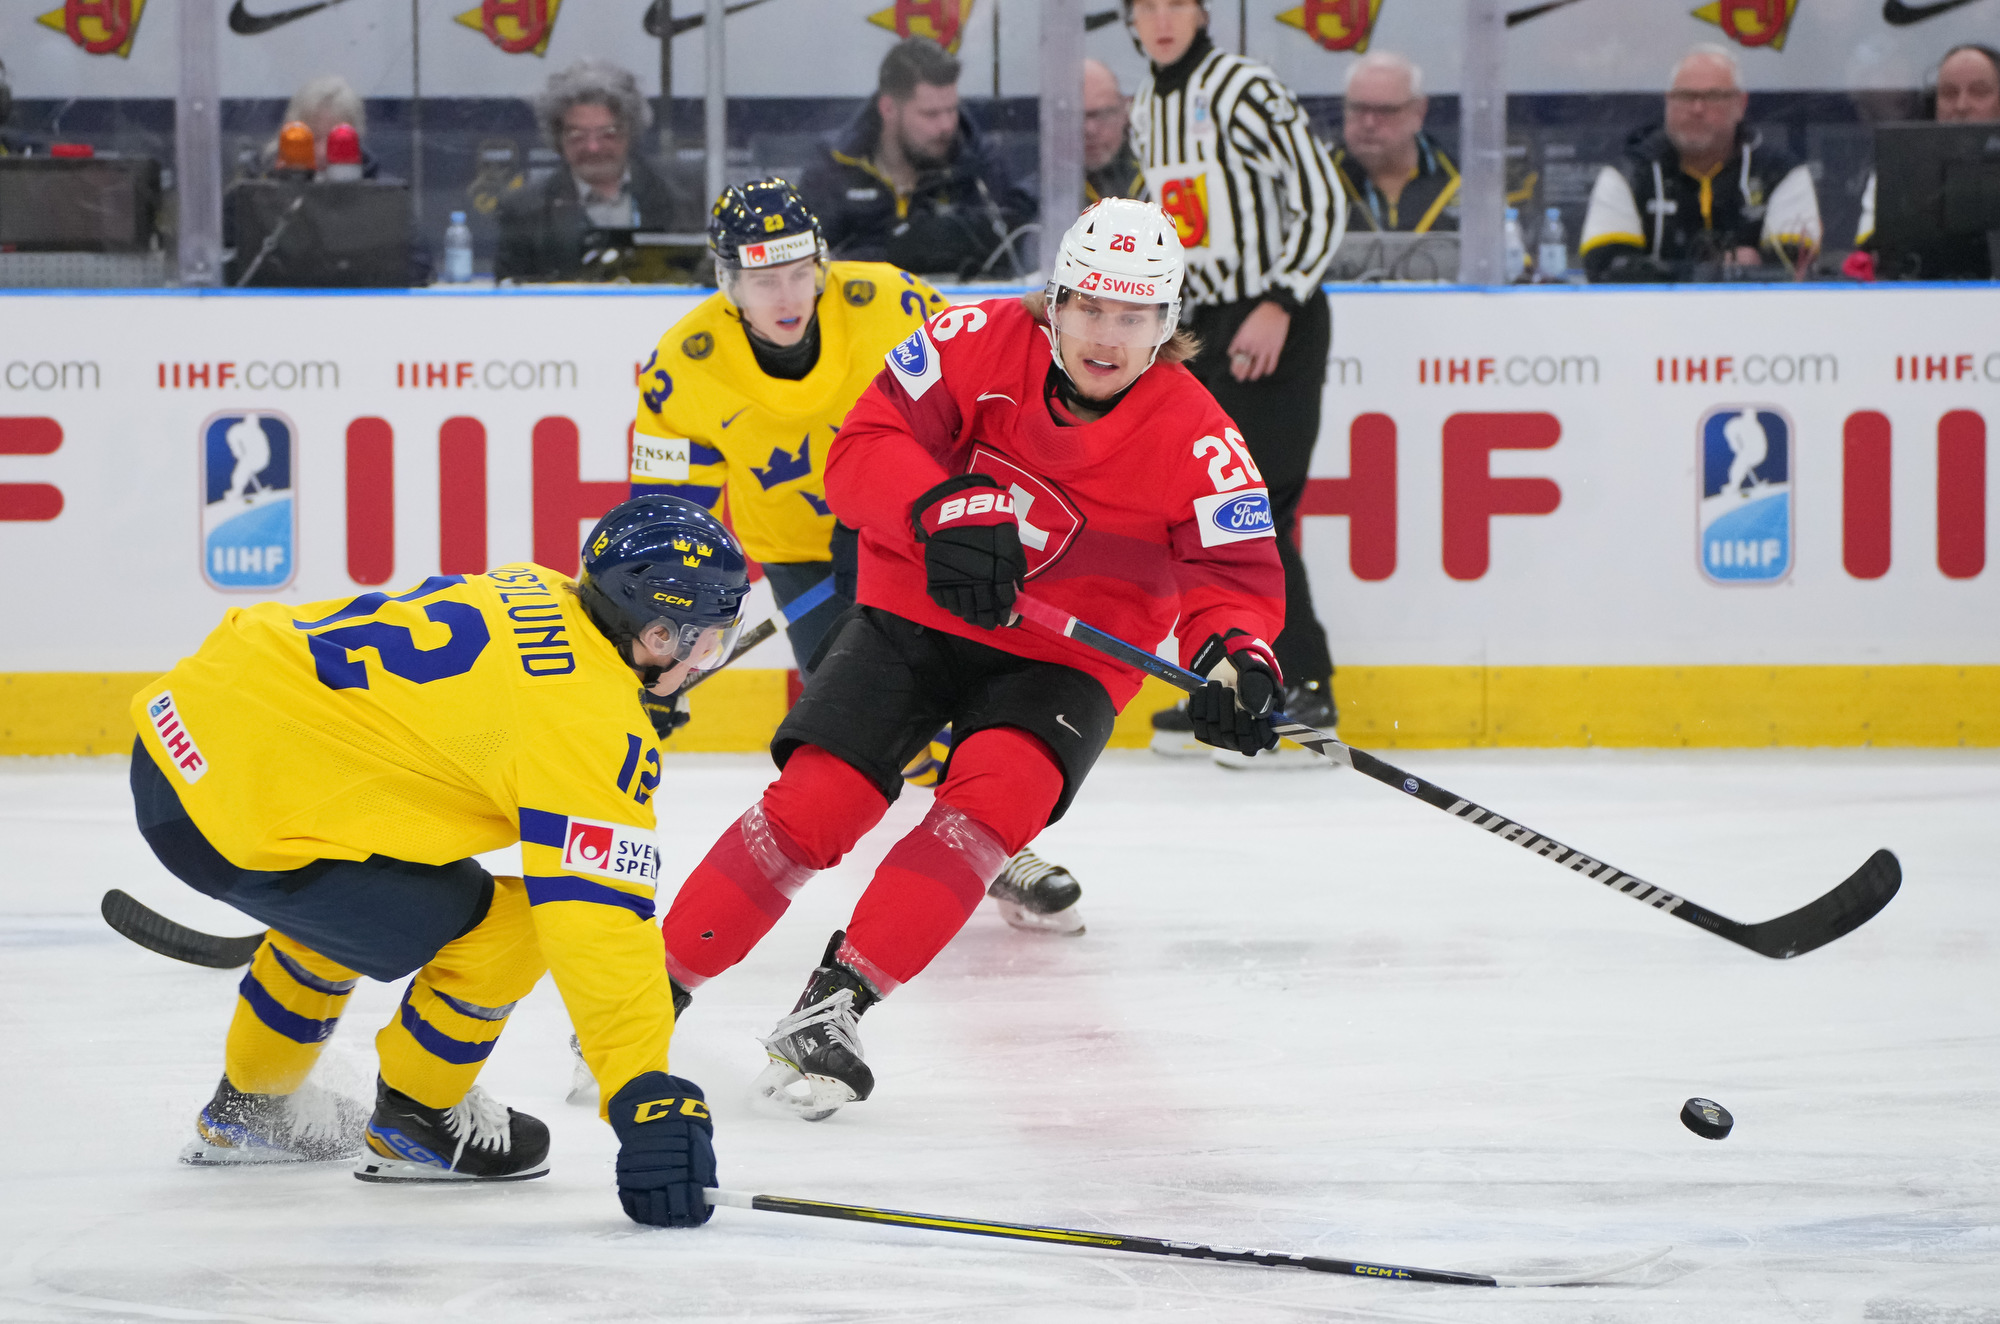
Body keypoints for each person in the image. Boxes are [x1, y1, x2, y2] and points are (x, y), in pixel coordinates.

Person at [654, 198, 1286, 1121]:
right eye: (1090, 309)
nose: (1107, 337)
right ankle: (647, 991)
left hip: (1063, 664)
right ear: (1054, 302)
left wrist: (1240, 660)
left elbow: (1230, 578)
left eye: (1134, 315)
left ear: (1167, 323)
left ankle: (835, 1008)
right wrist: (939, 504)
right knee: (817, 804)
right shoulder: (973, 339)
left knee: (987, 810)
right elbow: (863, 448)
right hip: (917, 612)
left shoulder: (1202, 438)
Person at [133, 495, 746, 1228]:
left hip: (181, 742)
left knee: (350, 904)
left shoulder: (535, 587)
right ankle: (418, 1122)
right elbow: (598, 921)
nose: (703, 662)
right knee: (515, 926)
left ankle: (253, 1107)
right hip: (250, 817)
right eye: (697, 643)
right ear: (650, 631)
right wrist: (641, 1088)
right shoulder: (587, 727)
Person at [629, 177, 1091, 936]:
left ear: (822, 263)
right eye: (762, 278)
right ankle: (958, 848)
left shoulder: (894, 302)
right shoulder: (682, 366)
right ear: (726, 282)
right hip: (800, 556)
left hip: (913, 529)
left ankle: (1006, 848)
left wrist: (945, 510)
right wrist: (663, 647)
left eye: (798, 272)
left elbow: (985, 398)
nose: (787, 295)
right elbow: (668, 524)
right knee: (870, 721)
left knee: (965, 680)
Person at [1123, 0, 1345, 767]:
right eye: (1143, 7)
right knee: (1199, 504)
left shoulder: (1242, 87)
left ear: (1202, 11)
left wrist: (1280, 299)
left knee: (1258, 501)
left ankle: (1304, 685)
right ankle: (1227, 677)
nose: (1160, 19)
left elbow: (1321, 194)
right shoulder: (1148, 105)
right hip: (1202, 323)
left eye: (1174, 3)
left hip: (1275, 314)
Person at [800, 37, 1037, 280]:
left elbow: (1008, 257)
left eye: (952, 109)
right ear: (888, 109)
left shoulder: (980, 165)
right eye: (930, 114)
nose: (946, 126)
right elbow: (810, 268)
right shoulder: (835, 168)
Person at [1580, 44, 1820, 282]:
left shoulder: (1781, 173)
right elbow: (1605, 268)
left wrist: (1661, 269)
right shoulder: (1627, 175)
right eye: (1685, 96)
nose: (1697, 108)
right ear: (1668, 101)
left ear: (1741, 104)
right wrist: (1718, 270)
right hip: (1652, 318)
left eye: (1713, 96)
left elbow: (1794, 264)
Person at [496, 59, 680, 282]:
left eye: (608, 133)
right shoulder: (524, 212)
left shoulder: (678, 199)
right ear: (557, 139)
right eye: (577, 135)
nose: (593, 147)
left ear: (631, 133)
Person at [1850, 43, 2000, 278]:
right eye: (1949, 94)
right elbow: (1870, 262)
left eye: (1979, 92)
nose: (1961, 106)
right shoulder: (1896, 168)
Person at [1333, 52, 1457, 234]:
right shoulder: (1317, 180)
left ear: (1419, 112)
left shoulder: (1461, 181)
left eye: (1385, 110)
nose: (1369, 123)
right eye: (1358, 108)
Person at [1084, 58, 1142, 203]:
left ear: (1124, 114)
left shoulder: (1153, 180)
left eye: (1103, 114)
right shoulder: (1036, 196)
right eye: (1076, 116)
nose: (1090, 129)